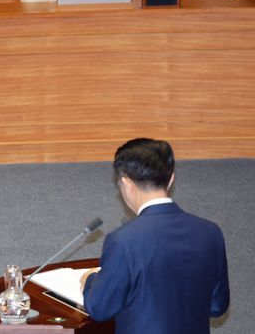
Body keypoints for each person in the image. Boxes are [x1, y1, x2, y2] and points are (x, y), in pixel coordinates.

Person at [81, 138, 230, 334]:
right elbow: (217, 306)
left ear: (126, 183)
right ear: (171, 179)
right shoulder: (211, 232)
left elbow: (100, 308)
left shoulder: (123, 240)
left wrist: (91, 280)